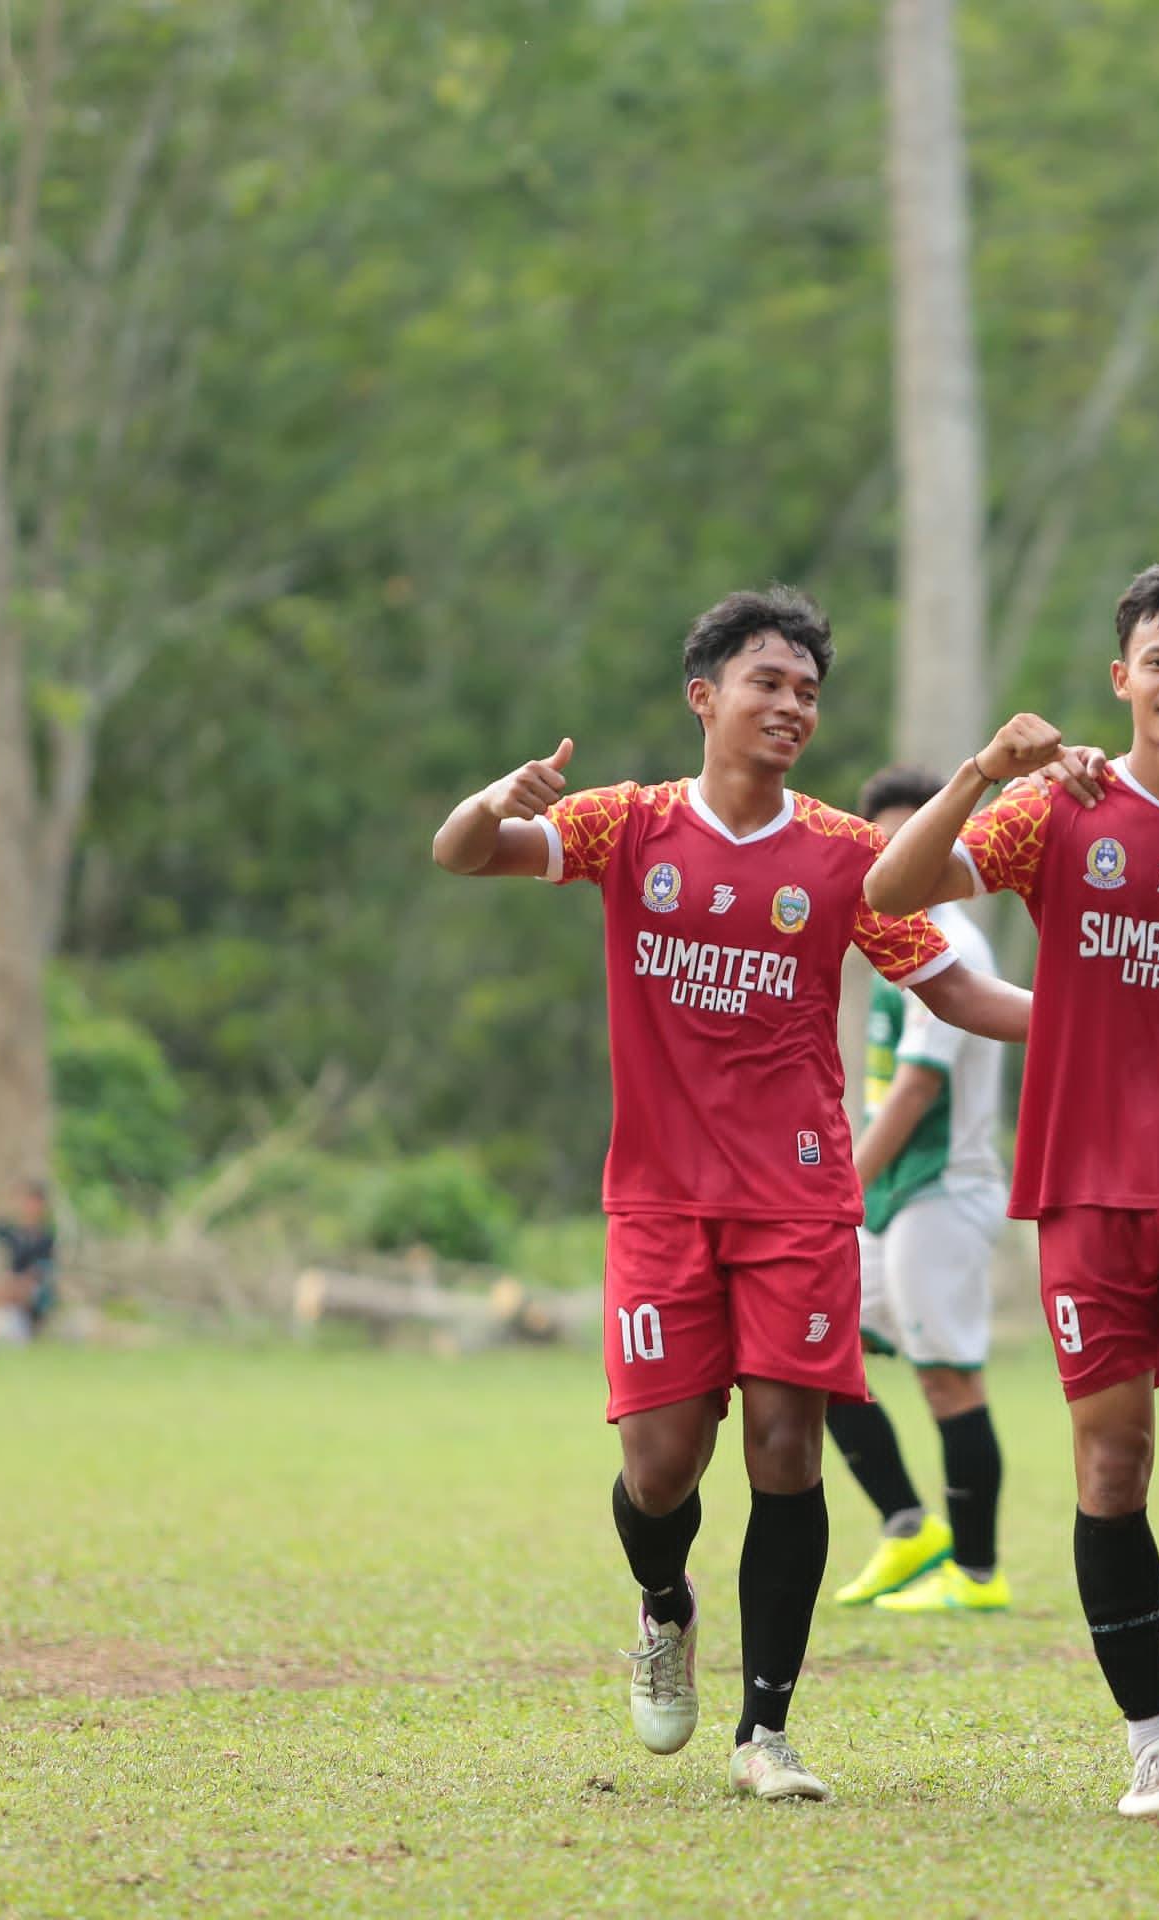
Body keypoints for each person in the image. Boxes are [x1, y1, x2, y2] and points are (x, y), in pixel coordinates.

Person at [430, 584, 1034, 1805]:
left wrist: (1102, 1032)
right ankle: (664, 1604)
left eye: (809, 691)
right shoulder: (630, 826)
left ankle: (769, 1732)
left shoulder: (846, 854)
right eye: (769, 683)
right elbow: (462, 851)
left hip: (801, 1198)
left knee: (784, 1450)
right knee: (660, 1468)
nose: (792, 707)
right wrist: (497, 799)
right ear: (704, 696)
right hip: (658, 1204)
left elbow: (960, 996)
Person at [866, 561, 1159, 1820]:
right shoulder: (1055, 812)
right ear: (1121, 678)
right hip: (1086, 1194)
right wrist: (981, 769)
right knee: (1112, 1467)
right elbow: (890, 889)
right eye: (1158, 661)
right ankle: (1152, 1737)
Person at [824, 764, 1015, 1617]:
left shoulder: (952, 946)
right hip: (886, 1196)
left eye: (923, 832)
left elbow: (914, 1091)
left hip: (938, 1191)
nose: (908, 851)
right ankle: (909, 1528)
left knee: (948, 1381)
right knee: (822, 1352)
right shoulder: (883, 933)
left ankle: (976, 1573)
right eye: (891, 838)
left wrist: (839, 1188)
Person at [0, 1180, 59, 1342]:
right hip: (12, 1284)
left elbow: (42, 1271)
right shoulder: (14, 1233)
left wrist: (16, 1282)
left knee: (18, 1288)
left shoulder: (47, 1237)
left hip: (34, 1288)